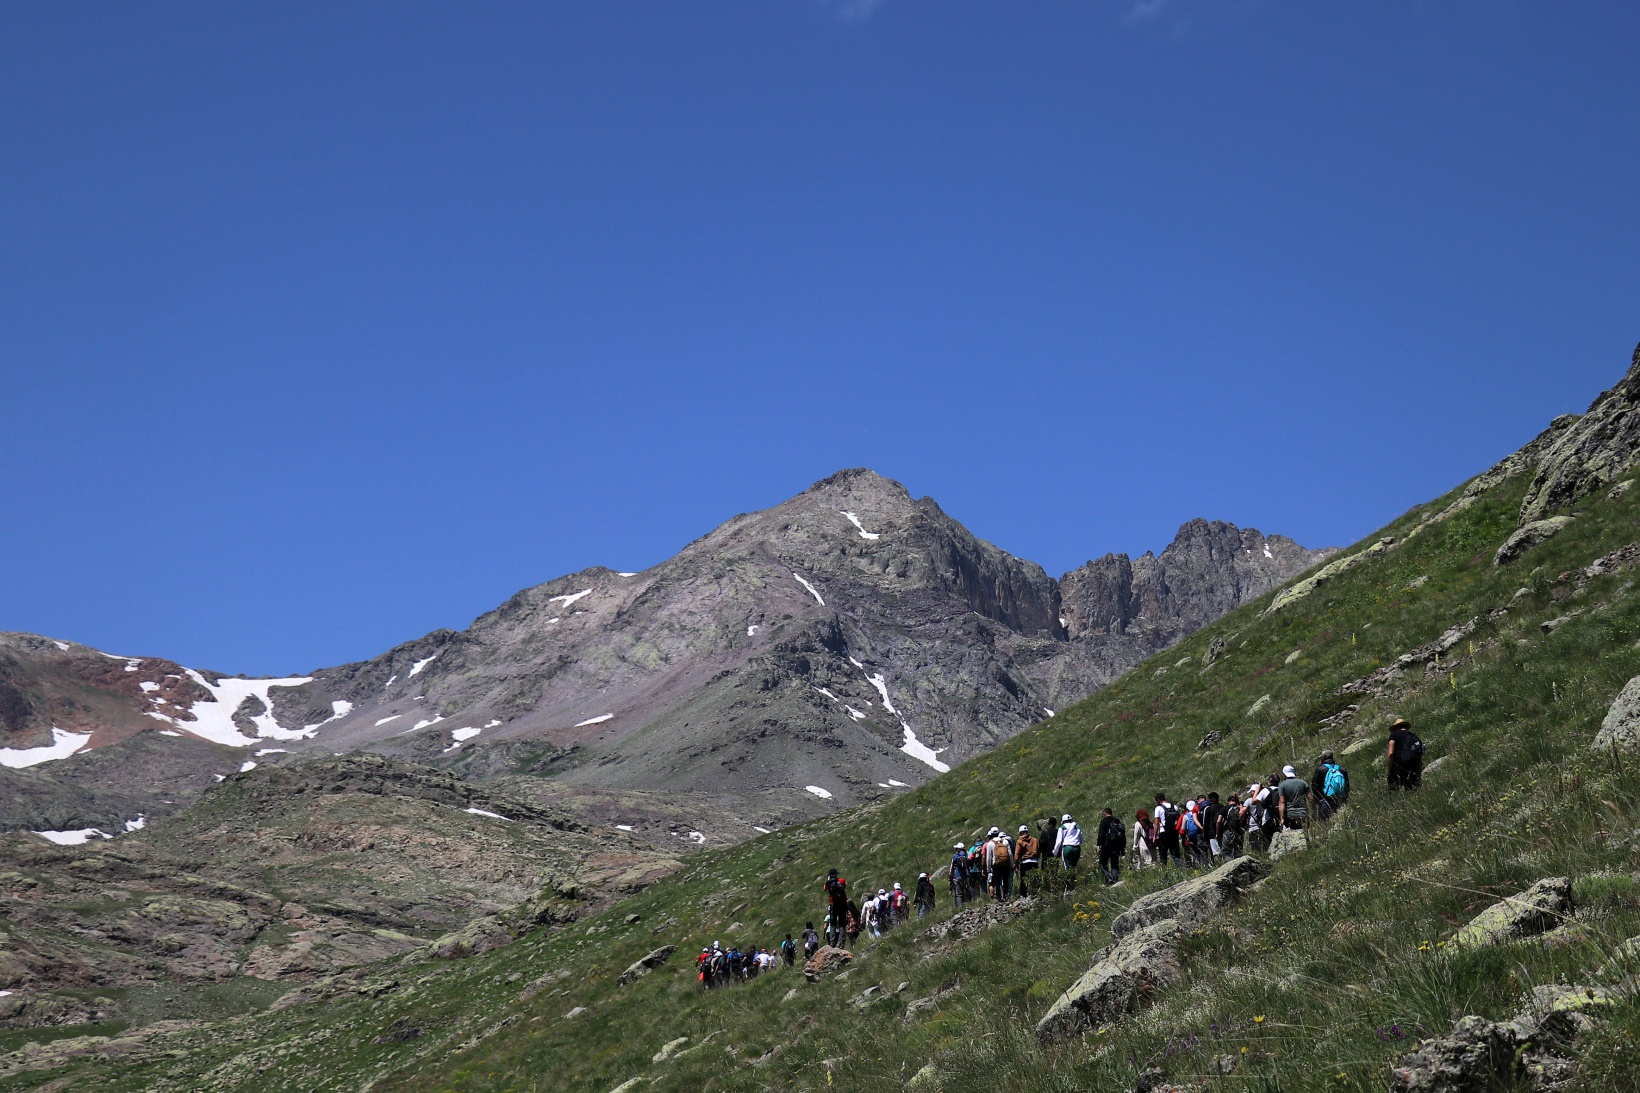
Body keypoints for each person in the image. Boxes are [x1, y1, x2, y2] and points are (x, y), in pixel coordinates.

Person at [1312, 751, 1350, 819]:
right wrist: (1345, 798)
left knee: (1324, 821)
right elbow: (1347, 785)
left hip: (1325, 799)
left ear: (1323, 758)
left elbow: (1315, 786)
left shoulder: (1320, 769)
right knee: (1341, 818)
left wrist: (1319, 799)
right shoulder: (1341, 769)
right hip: (1340, 798)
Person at [1388, 718, 1424, 790]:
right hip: (1414, 763)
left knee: (1395, 788)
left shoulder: (1394, 735)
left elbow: (1391, 753)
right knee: (1414, 787)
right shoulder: (1413, 736)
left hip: (1400, 764)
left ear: (1396, 727)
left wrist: (1390, 769)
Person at [1095, 807, 1126, 885]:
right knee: (1115, 863)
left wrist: (1099, 844)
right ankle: (1115, 879)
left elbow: (1101, 834)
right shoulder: (1117, 821)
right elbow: (1122, 835)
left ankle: (1108, 878)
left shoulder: (1104, 821)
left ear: (1105, 813)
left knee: (1102, 863)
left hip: (1106, 845)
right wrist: (1122, 848)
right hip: (1117, 846)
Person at [1278, 764, 1311, 829]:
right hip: (1303, 814)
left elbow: (1282, 802)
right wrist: (1314, 813)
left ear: (1284, 774)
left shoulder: (1282, 785)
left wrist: (1281, 818)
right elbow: (1311, 799)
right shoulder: (1303, 783)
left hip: (1290, 815)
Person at [985, 828, 1015, 901]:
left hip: (996, 864)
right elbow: (1010, 854)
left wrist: (988, 869)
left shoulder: (990, 843)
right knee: (1005, 880)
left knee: (997, 881)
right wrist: (1012, 864)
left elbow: (988, 857)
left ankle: (999, 897)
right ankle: (1005, 896)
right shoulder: (1005, 841)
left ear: (991, 834)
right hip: (1005, 864)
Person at [1153, 795, 1182, 866]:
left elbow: (1156, 823)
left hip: (1164, 833)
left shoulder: (1158, 808)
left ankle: (1164, 871)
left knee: (1163, 853)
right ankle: (1180, 867)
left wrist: (1154, 836)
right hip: (1174, 832)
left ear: (1158, 800)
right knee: (1175, 853)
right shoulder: (1175, 807)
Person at [824, 869, 849, 947]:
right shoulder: (842, 880)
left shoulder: (828, 883)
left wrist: (828, 880)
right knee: (842, 924)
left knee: (833, 924)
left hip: (833, 904)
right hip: (842, 904)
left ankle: (832, 941)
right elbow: (844, 887)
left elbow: (824, 889)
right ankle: (841, 942)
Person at [1015, 824, 1040, 897]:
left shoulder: (1020, 841)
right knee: (1035, 878)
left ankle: (1024, 894)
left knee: (1023, 879)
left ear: (1021, 833)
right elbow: (1038, 850)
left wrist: (1016, 863)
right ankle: (1035, 892)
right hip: (1034, 861)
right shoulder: (1035, 840)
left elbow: (1017, 854)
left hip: (1025, 862)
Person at [949, 842, 972, 908]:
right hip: (965, 876)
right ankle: (968, 904)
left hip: (957, 876)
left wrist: (951, 878)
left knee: (958, 894)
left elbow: (951, 868)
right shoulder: (966, 855)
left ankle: (959, 907)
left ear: (958, 849)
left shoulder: (956, 856)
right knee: (966, 890)